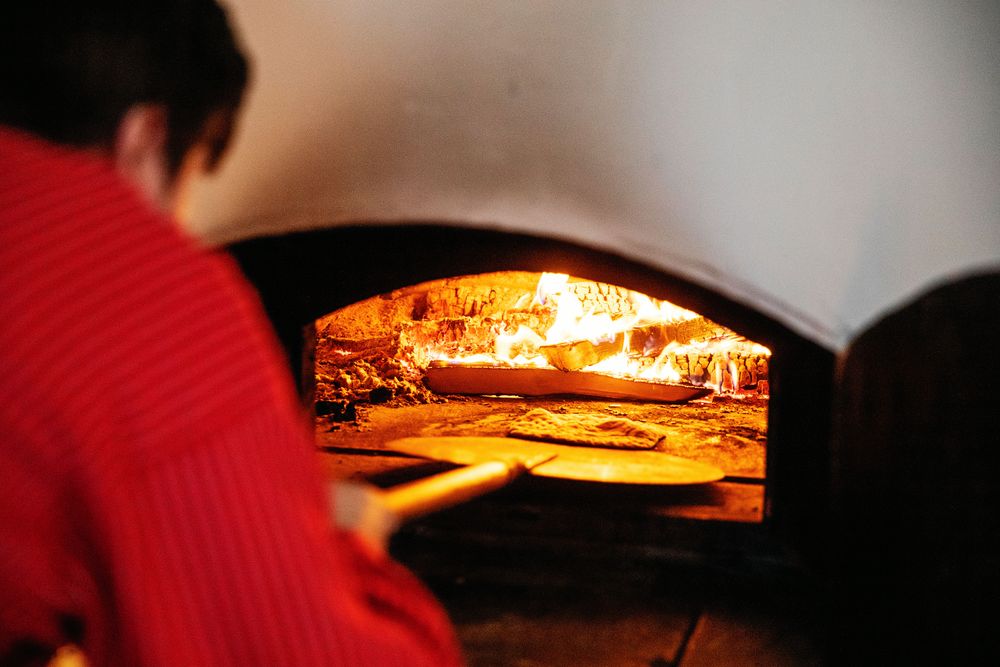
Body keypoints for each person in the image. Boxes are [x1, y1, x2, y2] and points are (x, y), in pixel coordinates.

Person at [0, 1, 462, 665]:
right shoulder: (134, 285)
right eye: (184, 184)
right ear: (145, 137)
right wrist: (348, 556)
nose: (178, 226)